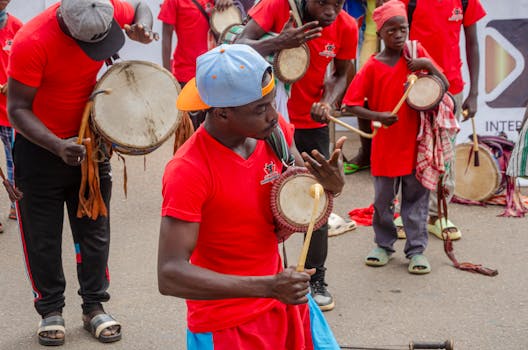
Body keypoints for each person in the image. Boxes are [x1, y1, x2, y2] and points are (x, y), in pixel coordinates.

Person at [158, 43, 345, 349]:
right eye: (260, 108)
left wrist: (332, 185)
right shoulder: (188, 170)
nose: (274, 115)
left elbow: (307, 190)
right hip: (226, 325)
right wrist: (269, 286)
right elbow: (170, 275)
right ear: (222, 113)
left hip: (285, 304)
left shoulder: (273, 132)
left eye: (272, 102)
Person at [7, 0, 155, 346]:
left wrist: (143, 26)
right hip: (39, 148)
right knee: (41, 236)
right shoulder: (32, 41)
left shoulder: (99, 6)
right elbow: (17, 109)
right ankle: (50, 310)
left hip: (91, 144)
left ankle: (94, 306)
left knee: (94, 231)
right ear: (68, 29)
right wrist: (57, 146)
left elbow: (140, 8)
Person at [235, 0, 358, 311]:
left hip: (310, 125)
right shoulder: (277, 6)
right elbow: (239, 45)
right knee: (254, 196)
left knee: (315, 197)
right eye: (323, 3)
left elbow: (343, 71)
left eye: (338, 3)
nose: (331, 10)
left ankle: (314, 278)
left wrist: (328, 100)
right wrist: (280, 41)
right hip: (265, 121)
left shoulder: (346, 25)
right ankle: (253, 276)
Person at [328, 0, 449, 274]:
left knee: (416, 201)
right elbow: (350, 104)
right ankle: (383, 244)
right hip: (385, 148)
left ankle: (416, 250)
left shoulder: (418, 57)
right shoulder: (372, 66)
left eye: (403, 28)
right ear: (379, 33)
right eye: (391, 30)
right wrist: (379, 116)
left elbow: (445, 86)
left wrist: (429, 65)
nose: (398, 35)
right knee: (383, 201)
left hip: (417, 146)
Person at [393, 0, 486, 241]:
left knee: (445, 154)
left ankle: (437, 214)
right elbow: (392, 37)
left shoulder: (465, 1)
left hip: (451, 88)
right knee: (410, 152)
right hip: (414, 86)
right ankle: (404, 213)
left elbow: (472, 43)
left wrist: (474, 92)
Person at [0, 0, 22, 231]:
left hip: (9, 112)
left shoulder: (17, 28)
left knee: (14, 161)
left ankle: (16, 205)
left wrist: (12, 82)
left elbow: (27, 63)